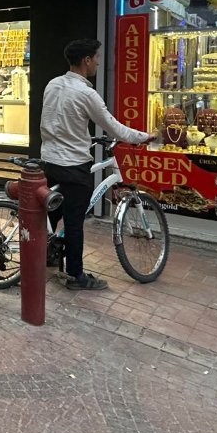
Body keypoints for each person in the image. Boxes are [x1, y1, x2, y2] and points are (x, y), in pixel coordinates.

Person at [41, 38, 154, 291]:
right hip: (73, 164)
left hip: (49, 159)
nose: (99, 62)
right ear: (87, 60)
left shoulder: (53, 84)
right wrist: (143, 137)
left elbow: (56, 120)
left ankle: (48, 251)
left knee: (52, 210)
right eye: (97, 57)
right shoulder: (86, 93)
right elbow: (112, 126)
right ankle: (76, 276)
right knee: (74, 221)